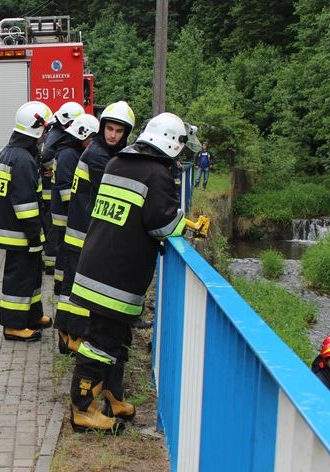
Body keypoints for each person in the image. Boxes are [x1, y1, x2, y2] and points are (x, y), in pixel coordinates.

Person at [68, 112, 201, 434]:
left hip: (95, 267)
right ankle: (82, 410)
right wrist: (188, 224)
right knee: (101, 342)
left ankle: (113, 397)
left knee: (118, 339)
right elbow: (161, 225)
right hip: (117, 277)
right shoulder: (156, 174)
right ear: (171, 143)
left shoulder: (118, 162)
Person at [56, 101, 135, 355]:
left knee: (71, 286)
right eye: (110, 129)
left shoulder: (100, 151)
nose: (113, 135)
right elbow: (112, 192)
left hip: (80, 230)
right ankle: (73, 337)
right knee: (78, 290)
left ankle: (66, 336)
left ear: (126, 133)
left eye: (119, 131)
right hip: (84, 233)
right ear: (102, 128)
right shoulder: (100, 156)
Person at [0, 101, 54, 342]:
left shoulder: (12, 152)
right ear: (36, 129)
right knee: (19, 278)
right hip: (20, 232)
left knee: (31, 275)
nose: (46, 135)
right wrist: (34, 235)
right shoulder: (22, 160)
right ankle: (13, 326)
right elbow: (25, 204)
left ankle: (32, 316)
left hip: (13, 229)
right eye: (45, 130)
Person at [40, 102, 85, 278]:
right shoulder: (59, 135)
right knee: (54, 228)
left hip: (53, 187)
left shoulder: (54, 132)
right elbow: (46, 158)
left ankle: (51, 262)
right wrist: (55, 167)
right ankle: (51, 264)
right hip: (52, 190)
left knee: (53, 228)